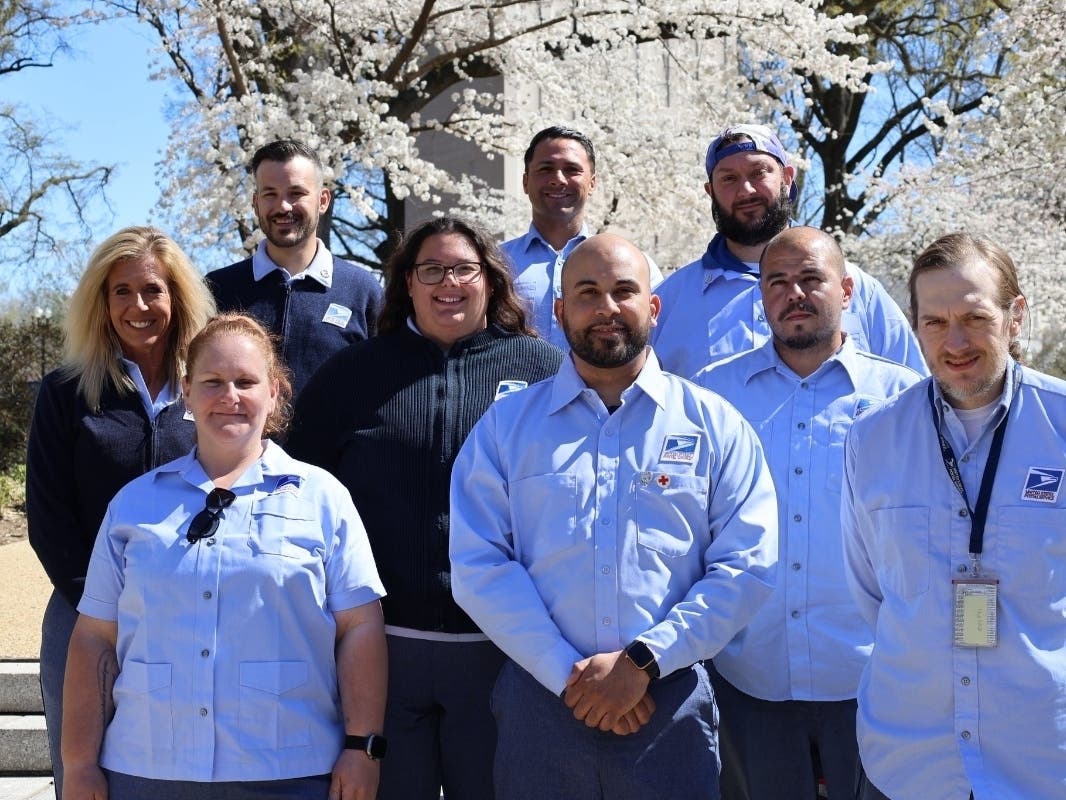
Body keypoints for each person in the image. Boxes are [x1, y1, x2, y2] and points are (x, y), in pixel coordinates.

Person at [449, 232, 778, 799]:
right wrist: (567, 675)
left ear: (653, 306)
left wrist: (643, 663)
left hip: (668, 702)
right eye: (587, 292)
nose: (607, 307)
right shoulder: (506, 429)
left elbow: (748, 565)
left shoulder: (714, 426)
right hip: (540, 703)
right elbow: (479, 565)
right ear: (559, 310)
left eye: (625, 291)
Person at [287, 216, 563, 800]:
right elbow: (297, 489)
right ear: (406, 284)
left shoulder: (543, 373)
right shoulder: (353, 374)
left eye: (464, 268)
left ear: (490, 281)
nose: (448, 282)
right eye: (431, 269)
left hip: (504, 652)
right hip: (382, 652)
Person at [62, 313, 388, 800]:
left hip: (288, 770)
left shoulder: (322, 499)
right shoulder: (135, 503)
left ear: (275, 392)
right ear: (186, 392)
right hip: (148, 770)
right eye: (212, 381)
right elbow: (93, 638)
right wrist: (78, 763)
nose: (229, 396)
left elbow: (360, 626)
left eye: (246, 381)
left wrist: (362, 747)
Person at [694, 227, 922, 800]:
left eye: (811, 278)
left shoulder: (906, 400)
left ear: (847, 290)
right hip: (750, 675)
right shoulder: (712, 398)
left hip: (869, 677)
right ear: (761, 297)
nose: (793, 293)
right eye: (777, 282)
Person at [842, 233, 1066, 799]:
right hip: (911, 760)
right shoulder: (871, 440)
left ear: (1015, 316)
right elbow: (870, 590)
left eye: (974, 316)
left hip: (1042, 760)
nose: (955, 341)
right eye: (935, 322)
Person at [24, 226, 215, 797]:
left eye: (153, 289)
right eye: (121, 291)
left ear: (176, 296)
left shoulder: (207, 387)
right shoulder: (65, 392)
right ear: (101, 304)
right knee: (83, 779)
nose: (138, 306)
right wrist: (106, 603)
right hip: (86, 616)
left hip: (191, 614)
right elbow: (49, 516)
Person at [650, 122, 925, 379]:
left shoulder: (855, 288)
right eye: (729, 179)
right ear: (710, 191)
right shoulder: (668, 302)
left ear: (787, 178)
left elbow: (913, 395)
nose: (745, 190)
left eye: (759, 173)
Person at [206, 138, 383, 399]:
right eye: (270, 194)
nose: (283, 206)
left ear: (323, 201)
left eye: (296, 193)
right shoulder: (218, 289)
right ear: (256, 203)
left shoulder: (362, 291)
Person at [501, 125, 662, 348]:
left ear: (592, 183)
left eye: (572, 170)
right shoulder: (495, 264)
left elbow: (659, 339)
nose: (558, 179)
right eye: (546, 169)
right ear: (525, 182)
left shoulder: (635, 266)